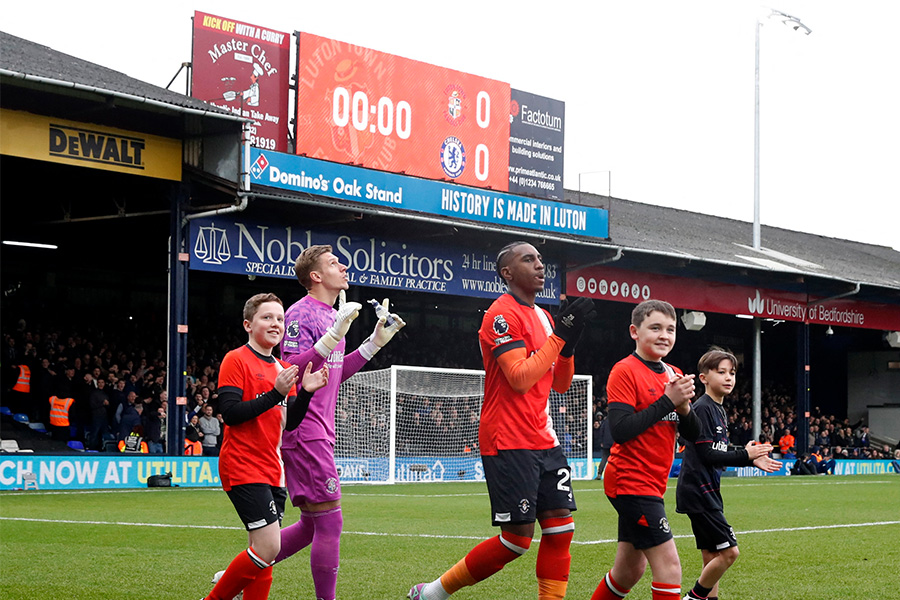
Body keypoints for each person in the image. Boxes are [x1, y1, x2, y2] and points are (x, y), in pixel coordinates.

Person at [408, 241, 594, 600]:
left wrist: (568, 346)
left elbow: (560, 383)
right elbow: (521, 378)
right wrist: (560, 338)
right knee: (517, 540)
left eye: (541, 259)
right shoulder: (500, 314)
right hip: (508, 438)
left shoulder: (543, 315)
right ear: (507, 273)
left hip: (544, 437)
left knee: (561, 530)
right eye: (529, 260)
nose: (540, 265)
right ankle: (432, 593)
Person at [220, 244, 405, 600]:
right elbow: (293, 370)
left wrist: (373, 344)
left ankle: (245, 568)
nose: (344, 266)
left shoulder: (334, 315)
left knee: (310, 526)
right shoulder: (302, 314)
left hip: (320, 428)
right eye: (334, 263)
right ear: (316, 276)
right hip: (305, 430)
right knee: (331, 520)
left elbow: (334, 374)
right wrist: (332, 335)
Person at [204, 292, 327, 600]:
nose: (276, 324)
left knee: (265, 552)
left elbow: (290, 423)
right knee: (270, 545)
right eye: (267, 317)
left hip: (273, 470)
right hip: (242, 465)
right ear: (248, 324)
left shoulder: (283, 368)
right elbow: (230, 414)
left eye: (280, 319)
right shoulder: (236, 359)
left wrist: (307, 392)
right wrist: (275, 393)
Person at [590, 299, 700, 600]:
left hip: (651, 483)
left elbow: (693, 434)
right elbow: (622, 431)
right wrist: (668, 401)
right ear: (634, 332)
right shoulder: (624, 371)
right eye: (655, 328)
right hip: (630, 481)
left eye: (670, 329)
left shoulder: (673, 373)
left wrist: (685, 407)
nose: (664, 335)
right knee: (669, 566)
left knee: (628, 571)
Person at [676, 348, 782, 600]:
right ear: (703, 378)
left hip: (706, 489)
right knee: (729, 553)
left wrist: (748, 460)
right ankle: (693, 598)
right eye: (721, 372)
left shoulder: (719, 410)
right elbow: (706, 454)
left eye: (732, 373)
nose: (728, 378)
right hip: (699, 491)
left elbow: (718, 452)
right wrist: (746, 456)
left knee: (712, 556)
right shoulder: (702, 409)